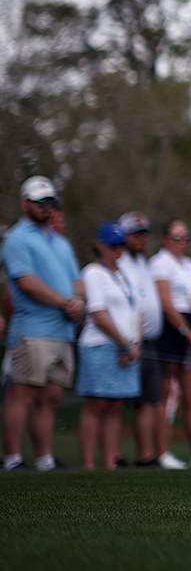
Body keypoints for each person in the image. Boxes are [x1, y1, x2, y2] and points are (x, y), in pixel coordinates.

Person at [4, 177, 83, 471]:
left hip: (62, 332)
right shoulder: (16, 238)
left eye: (50, 202)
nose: (46, 207)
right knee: (21, 394)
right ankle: (12, 458)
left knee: (50, 399)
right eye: (40, 202)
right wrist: (65, 302)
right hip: (33, 331)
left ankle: (44, 459)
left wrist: (79, 300)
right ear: (25, 203)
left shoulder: (60, 242)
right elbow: (27, 282)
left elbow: (77, 280)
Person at [77, 222, 143, 470]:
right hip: (99, 346)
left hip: (127, 349)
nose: (119, 250)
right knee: (97, 404)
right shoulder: (92, 273)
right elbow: (98, 313)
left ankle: (109, 462)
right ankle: (88, 464)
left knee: (116, 406)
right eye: (114, 245)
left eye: (122, 245)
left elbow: (137, 312)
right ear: (100, 246)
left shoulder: (126, 274)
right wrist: (125, 344)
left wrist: (134, 344)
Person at [149, 219, 191, 464]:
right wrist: (186, 331)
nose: (182, 242)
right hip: (171, 329)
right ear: (164, 239)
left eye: (186, 237)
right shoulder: (159, 262)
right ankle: (162, 452)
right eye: (177, 237)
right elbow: (165, 302)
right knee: (164, 394)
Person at [116, 212, 168, 466]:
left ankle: (144, 455)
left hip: (149, 343)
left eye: (143, 234)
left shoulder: (143, 264)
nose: (141, 239)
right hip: (127, 342)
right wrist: (127, 341)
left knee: (149, 400)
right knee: (116, 403)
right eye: (135, 234)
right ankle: (113, 456)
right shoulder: (119, 264)